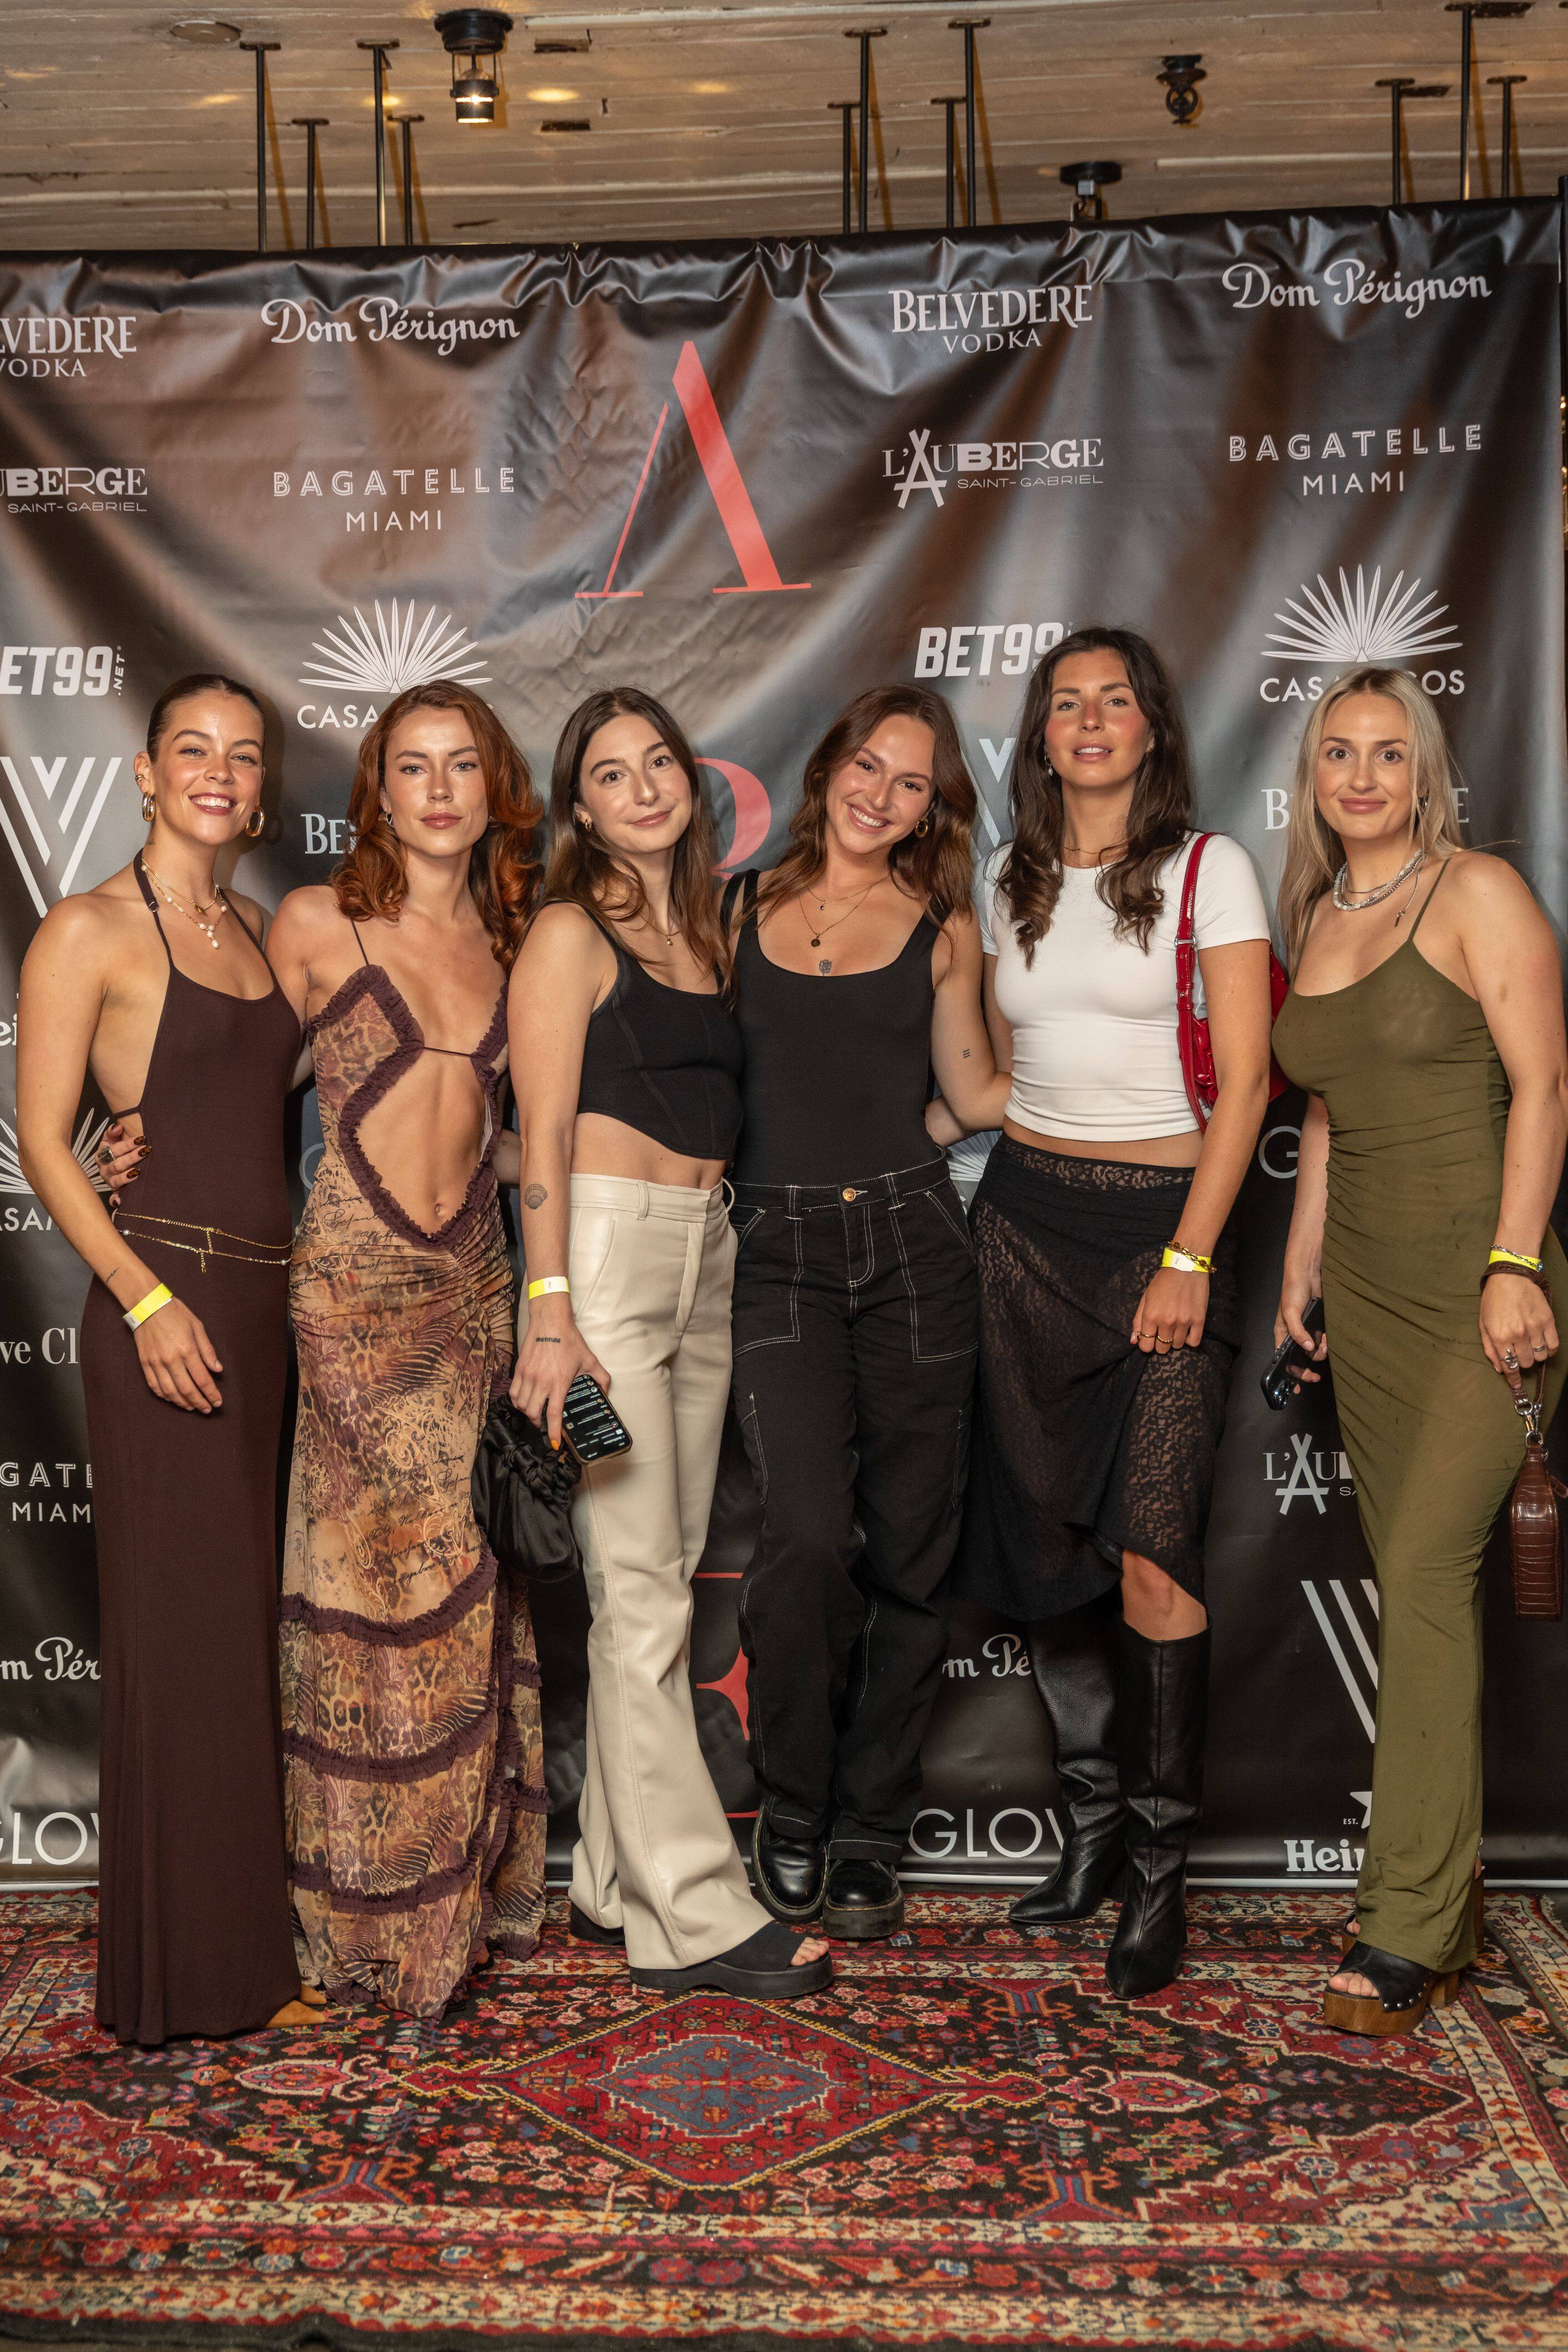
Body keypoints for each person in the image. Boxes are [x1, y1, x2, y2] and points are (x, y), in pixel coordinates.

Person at [938, 627, 1274, 1998]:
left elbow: (1248, 1085)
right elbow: (1005, 1074)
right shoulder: (1005, 877)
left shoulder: (1208, 869)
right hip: (1022, 1227)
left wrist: (1191, 1255)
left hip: (1162, 1235)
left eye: (1113, 699)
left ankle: (1157, 1870)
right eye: (1064, 701)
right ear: (1040, 734)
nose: (1088, 720)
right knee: (1046, 1543)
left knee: (1151, 1553)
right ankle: (1085, 1833)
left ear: (1150, 727)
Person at [508, 685, 831, 1999]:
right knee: (639, 1590)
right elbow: (538, 1134)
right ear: (579, 809)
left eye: (658, 764)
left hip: (707, 1255)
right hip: (602, 1260)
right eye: (610, 773)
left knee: (666, 1571)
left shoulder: (706, 931)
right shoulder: (567, 934)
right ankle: (694, 1914)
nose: (643, 789)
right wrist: (549, 1310)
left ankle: (606, 1875)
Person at [16, 674, 323, 2043]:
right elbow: (44, 1144)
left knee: (234, 1638)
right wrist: (144, 1302)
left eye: (242, 757)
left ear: (261, 790)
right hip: (167, 1309)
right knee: (183, 1637)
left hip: (263, 1313)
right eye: (191, 750)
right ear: (144, 773)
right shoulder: (86, 928)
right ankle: (182, 1979)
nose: (218, 772)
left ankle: (240, 1960)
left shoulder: (256, 932)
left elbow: (256, 1097)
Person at [1271, 665, 1567, 2037]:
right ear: (1313, 775)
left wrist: (1513, 1264)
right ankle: (1437, 1894)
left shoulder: (1476, 892)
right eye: (1339, 752)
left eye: (1389, 753)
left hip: (1478, 1287)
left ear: (1426, 770)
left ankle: (1406, 1926)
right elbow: (1328, 1109)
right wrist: (1300, 1263)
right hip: (1371, 1291)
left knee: (1431, 1581)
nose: (1362, 776)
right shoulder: (1319, 911)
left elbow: (1543, 1083)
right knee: (1412, 1587)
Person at [263, 680, 549, 2019]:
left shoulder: (517, 938)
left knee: (469, 1585)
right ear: (378, 790)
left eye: (462, 766)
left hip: (474, 1287)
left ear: (495, 790)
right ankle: (367, 1918)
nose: (439, 791)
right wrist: (135, 1140)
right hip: (353, 1292)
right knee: (377, 1588)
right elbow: (229, 1075)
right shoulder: (316, 922)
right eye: (413, 767)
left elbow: (513, 1132)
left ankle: (456, 1899)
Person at [725, 685, 1004, 1941]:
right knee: (802, 1538)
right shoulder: (733, 907)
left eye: (912, 783)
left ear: (931, 809)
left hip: (912, 1249)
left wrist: (1154, 1087)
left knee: (910, 1554)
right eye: (868, 765)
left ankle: (869, 1829)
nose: (881, 795)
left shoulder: (944, 925)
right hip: (773, 1253)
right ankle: (792, 1806)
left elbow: (973, 1093)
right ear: (829, 764)